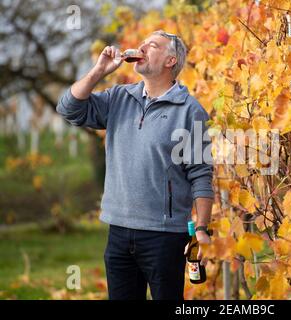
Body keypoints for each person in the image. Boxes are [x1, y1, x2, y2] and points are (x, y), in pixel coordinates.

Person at [56, 30, 214, 300]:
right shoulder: (119, 98)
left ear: (170, 61)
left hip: (164, 236)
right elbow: (69, 109)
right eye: (142, 43)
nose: (141, 47)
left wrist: (201, 229)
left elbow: (200, 173)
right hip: (118, 231)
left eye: (152, 45)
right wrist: (98, 72)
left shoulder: (190, 110)